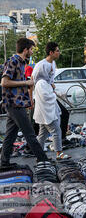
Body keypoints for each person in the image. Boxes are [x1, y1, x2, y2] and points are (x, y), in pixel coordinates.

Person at [1, 38, 49, 167]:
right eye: (31, 49)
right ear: (25, 49)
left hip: (17, 103)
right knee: (30, 134)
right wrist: (26, 82)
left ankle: (4, 163)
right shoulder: (13, 61)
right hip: (14, 104)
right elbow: (4, 82)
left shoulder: (22, 62)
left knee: (10, 136)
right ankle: (43, 159)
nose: (32, 52)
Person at [32, 42, 71, 160]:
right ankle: (59, 153)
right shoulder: (40, 68)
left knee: (43, 132)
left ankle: (38, 155)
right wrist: (31, 100)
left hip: (48, 98)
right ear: (51, 52)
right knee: (55, 130)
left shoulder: (53, 64)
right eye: (57, 50)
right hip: (44, 103)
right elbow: (32, 83)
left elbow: (51, 81)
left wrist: (52, 87)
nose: (59, 52)